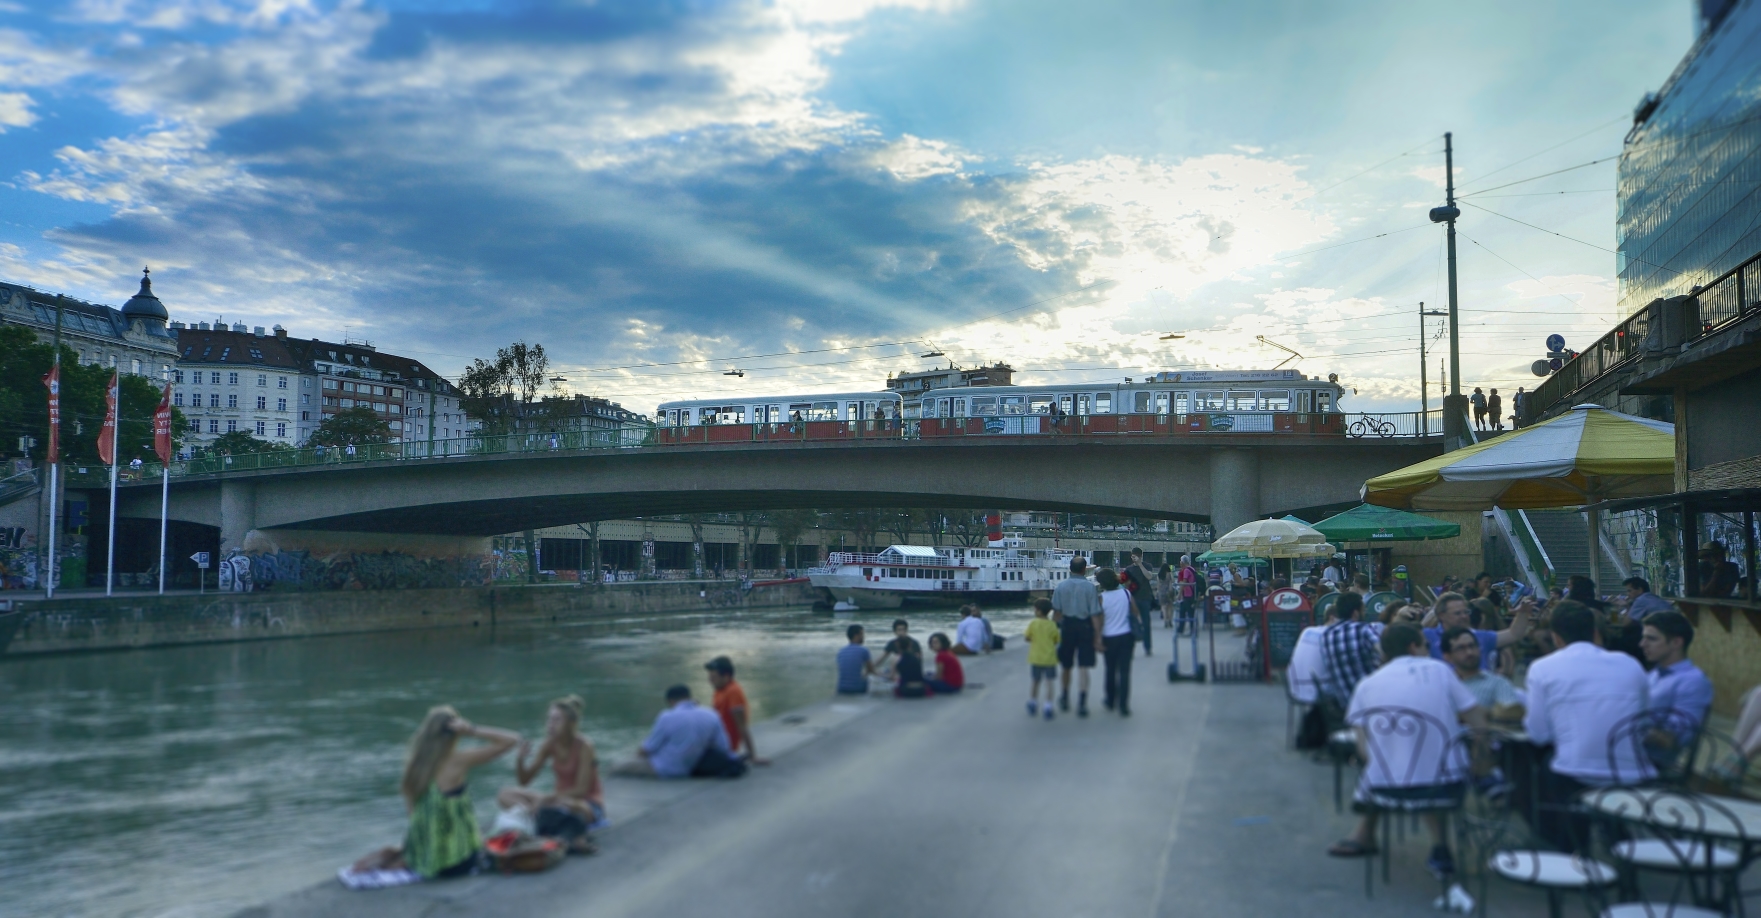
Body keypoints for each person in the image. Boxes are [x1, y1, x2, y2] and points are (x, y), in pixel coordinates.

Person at [1327, 623, 1485, 879]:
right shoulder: (1440, 670)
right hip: (1446, 786)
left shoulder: (1367, 684)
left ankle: (1364, 834)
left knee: (1395, 764)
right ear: (1414, 646)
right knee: (1434, 765)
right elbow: (1478, 721)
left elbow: (1364, 750)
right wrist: (1478, 758)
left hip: (1385, 789)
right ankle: (1441, 848)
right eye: (1425, 645)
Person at [1524, 602, 1652, 851]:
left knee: (1536, 768)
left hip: (1577, 773)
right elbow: (1644, 724)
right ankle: (1613, 834)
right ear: (1595, 632)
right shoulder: (1630, 664)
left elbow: (1538, 735)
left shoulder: (1542, 668)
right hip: (1632, 770)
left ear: (1556, 637)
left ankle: (1567, 844)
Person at [358, 706, 520, 879]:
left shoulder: (415, 764)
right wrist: (471, 729)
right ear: (455, 733)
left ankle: (395, 856)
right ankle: (397, 857)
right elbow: (512, 740)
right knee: (500, 839)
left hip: (422, 855)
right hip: (454, 862)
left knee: (401, 849)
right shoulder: (457, 761)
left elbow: (414, 817)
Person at [498, 695, 604, 852]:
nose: (551, 725)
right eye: (549, 719)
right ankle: (539, 815)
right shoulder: (549, 744)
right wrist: (520, 759)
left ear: (570, 723)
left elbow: (581, 790)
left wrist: (547, 799)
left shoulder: (584, 746)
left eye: (557, 720)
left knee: (570, 805)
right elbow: (524, 781)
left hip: (585, 803)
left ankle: (541, 819)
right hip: (557, 801)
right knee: (505, 794)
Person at [615, 685, 738, 778]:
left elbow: (649, 748)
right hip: (691, 768)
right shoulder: (711, 715)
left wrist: (636, 758)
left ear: (671, 701)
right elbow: (724, 747)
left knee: (616, 767)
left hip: (663, 769)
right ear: (690, 697)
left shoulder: (667, 716)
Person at [1640, 611, 1713, 752]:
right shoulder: (1654, 674)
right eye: (1643, 638)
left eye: (1652, 639)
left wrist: (1629, 725)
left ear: (1676, 643)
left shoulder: (1693, 680)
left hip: (1651, 759)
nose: (1642, 644)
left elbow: (1676, 736)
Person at [1423, 591, 1532, 671]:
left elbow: (1513, 634)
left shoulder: (1480, 636)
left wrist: (1522, 613)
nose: (1464, 616)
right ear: (1442, 615)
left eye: (1466, 612)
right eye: (1457, 613)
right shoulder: (1428, 636)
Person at [1052, 557, 1103, 717]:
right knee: (1083, 666)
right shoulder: (1090, 588)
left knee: (1066, 665)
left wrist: (1054, 633)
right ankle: (1082, 703)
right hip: (1085, 627)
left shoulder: (1060, 587)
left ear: (1070, 569)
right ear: (1084, 569)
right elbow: (1095, 613)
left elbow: (1056, 613)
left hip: (1067, 627)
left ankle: (1065, 697)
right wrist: (1097, 636)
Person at [1440, 626, 1524, 722]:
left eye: (1472, 646)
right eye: (1461, 648)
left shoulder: (1497, 683)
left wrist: (1473, 714)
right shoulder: (1441, 684)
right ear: (1447, 657)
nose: (1469, 652)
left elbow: (1511, 713)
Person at [1317, 592, 1379, 706]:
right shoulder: (1362, 629)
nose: (1365, 613)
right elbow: (1384, 651)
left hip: (1344, 702)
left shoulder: (1326, 635)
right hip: (1369, 700)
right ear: (1356, 613)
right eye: (1363, 610)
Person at [706, 656, 769, 765]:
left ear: (726, 676)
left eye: (713, 677)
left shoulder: (733, 692)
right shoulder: (720, 690)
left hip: (723, 747)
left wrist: (752, 756)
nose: (710, 680)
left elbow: (742, 726)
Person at [1097, 567, 1138, 716]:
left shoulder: (1102, 598)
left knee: (1110, 670)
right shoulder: (1126, 594)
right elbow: (1135, 612)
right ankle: (1124, 705)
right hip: (1126, 636)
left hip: (1109, 637)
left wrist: (1097, 639)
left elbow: (1100, 620)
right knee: (1125, 671)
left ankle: (1110, 699)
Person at [1287, 600, 1338, 705]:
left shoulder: (1307, 631)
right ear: (1332, 618)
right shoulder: (1332, 635)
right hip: (1319, 693)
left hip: (1295, 689)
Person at [1025, 598, 1060, 719]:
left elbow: (1027, 637)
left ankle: (1033, 702)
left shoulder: (1033, 623)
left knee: (1035, 681)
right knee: (1049, 682)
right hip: (1050, 658)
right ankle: (1048, 706)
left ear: (1039, 611)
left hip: (1036, 657)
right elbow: (1056, 640)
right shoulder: (1052, 624)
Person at [1123, 548, 1155, 656]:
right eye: (1132, 556)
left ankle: (1147, 647)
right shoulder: (1129, 569)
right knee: (1131, 625)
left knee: (1146, 624)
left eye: (1136, 556)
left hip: (1145, 598)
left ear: (1141, 556)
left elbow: (1149, 576)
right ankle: (1130, 648)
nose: (1134, 558)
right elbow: (1124, 583)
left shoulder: (1147, 566)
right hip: (1133, 599)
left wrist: (1140, 564)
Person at [836, 624, 874, 695]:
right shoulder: (863, 650)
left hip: (841, 688)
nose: (863, 637)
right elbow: (871, 670)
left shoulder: (841, 651)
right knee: (870, 680)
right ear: (857, 635)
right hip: (856, 689)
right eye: (862, 634)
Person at [1176, 555, 1199, 635]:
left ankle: (1190, 630)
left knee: (1187, 613)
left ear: (1182, 562)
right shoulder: (1192, 569)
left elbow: (1184, 582)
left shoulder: (1186, 570)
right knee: (1185, 612)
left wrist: (1179, 594)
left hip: (1188, 594)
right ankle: (1181, 629)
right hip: (1192, 593)